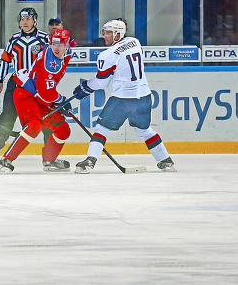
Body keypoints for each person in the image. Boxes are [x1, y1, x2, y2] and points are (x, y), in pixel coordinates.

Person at [72, 19, 176, 173]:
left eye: (108, 33)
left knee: (102, 128)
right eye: (104, 32)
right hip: (144, 96)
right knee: (144, 131)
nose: (104, 36)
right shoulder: (134, 42)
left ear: (118, 34)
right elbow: (124, 63)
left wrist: (85, 87)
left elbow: (102, 83)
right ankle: (166, 161)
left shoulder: (106, 55)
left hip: (123, 99)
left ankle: (89, 162)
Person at [0, 28, 74, 173]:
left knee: (63, 130)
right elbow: (45, 94)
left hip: (39, 94)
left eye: (61, 44)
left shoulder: (68, 51)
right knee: (34, 126)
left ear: (67, 45)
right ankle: (6, 160)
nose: (57, 48)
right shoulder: (49, 64)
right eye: (54, 44)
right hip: (25, 92)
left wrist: (59, 102)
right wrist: (61, 100)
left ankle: (49, 160)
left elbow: (45, 94)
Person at [0, 7, 50, 156]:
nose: (25, 22)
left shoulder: (44, 38)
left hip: (38, 83)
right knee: (8, 114)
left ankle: (49, 152)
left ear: (35, 21)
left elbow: (51, 59)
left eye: (28, 19)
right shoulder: (14, 38)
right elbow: (5, 60)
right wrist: (0, 79)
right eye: (22, 19)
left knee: (47, 116)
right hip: (16, 82)